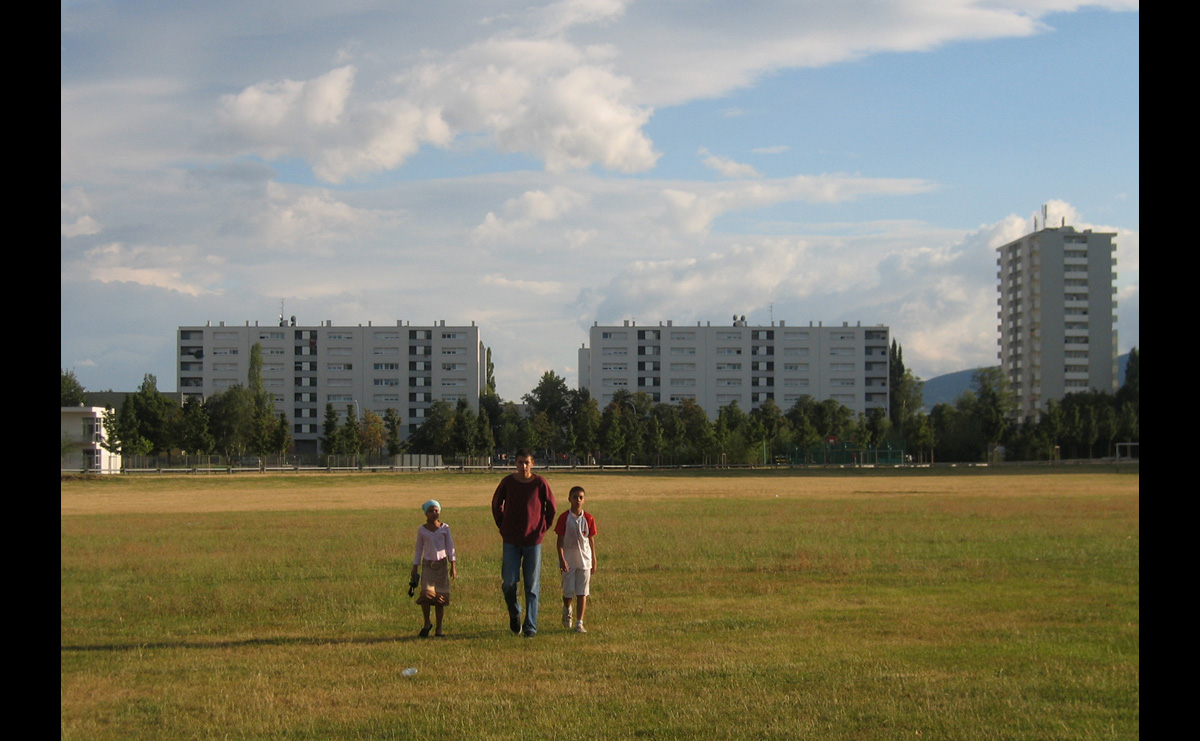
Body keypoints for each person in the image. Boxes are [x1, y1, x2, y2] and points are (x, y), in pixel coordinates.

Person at [491, 448, 556, 637]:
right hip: (511, 539)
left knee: (532, 585)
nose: (523, 466)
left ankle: (530, 626)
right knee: (509, 582)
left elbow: (551, 507)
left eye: (527, 462)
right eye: (520, 462)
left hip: (533, 541)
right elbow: (496, 504)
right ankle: (515, 612)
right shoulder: (508, 482)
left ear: (533, 464)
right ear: (515, 463)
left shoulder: (539, 483)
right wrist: (502, 525)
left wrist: (542, 528)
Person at [411, 499, 457, 637]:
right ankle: (427, 623)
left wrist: (453, 565)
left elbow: (450, 547)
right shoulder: (422, 530)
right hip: (428, 566)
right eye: (430, 511)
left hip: (442, 566)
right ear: (426, 513)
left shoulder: (445, 528)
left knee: (440, 599)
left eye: (436, 510)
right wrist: (415, 567)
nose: (434, 513)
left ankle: (439, 629)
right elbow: (418, 549)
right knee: (426, 596)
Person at [555, 485, 597, 633]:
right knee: (568, 592)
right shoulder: (564, 518)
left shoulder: (589, 518)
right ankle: (567, 608)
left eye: (580, 497)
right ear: (569, 499)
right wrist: (562, 559)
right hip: (569, 561)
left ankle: (579, 623)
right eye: (575, 497)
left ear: (584, 500)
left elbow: (590, 540)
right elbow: (560, 541)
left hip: (584, 561)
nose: (578, 500)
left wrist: (593, 559)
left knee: (582, 592)